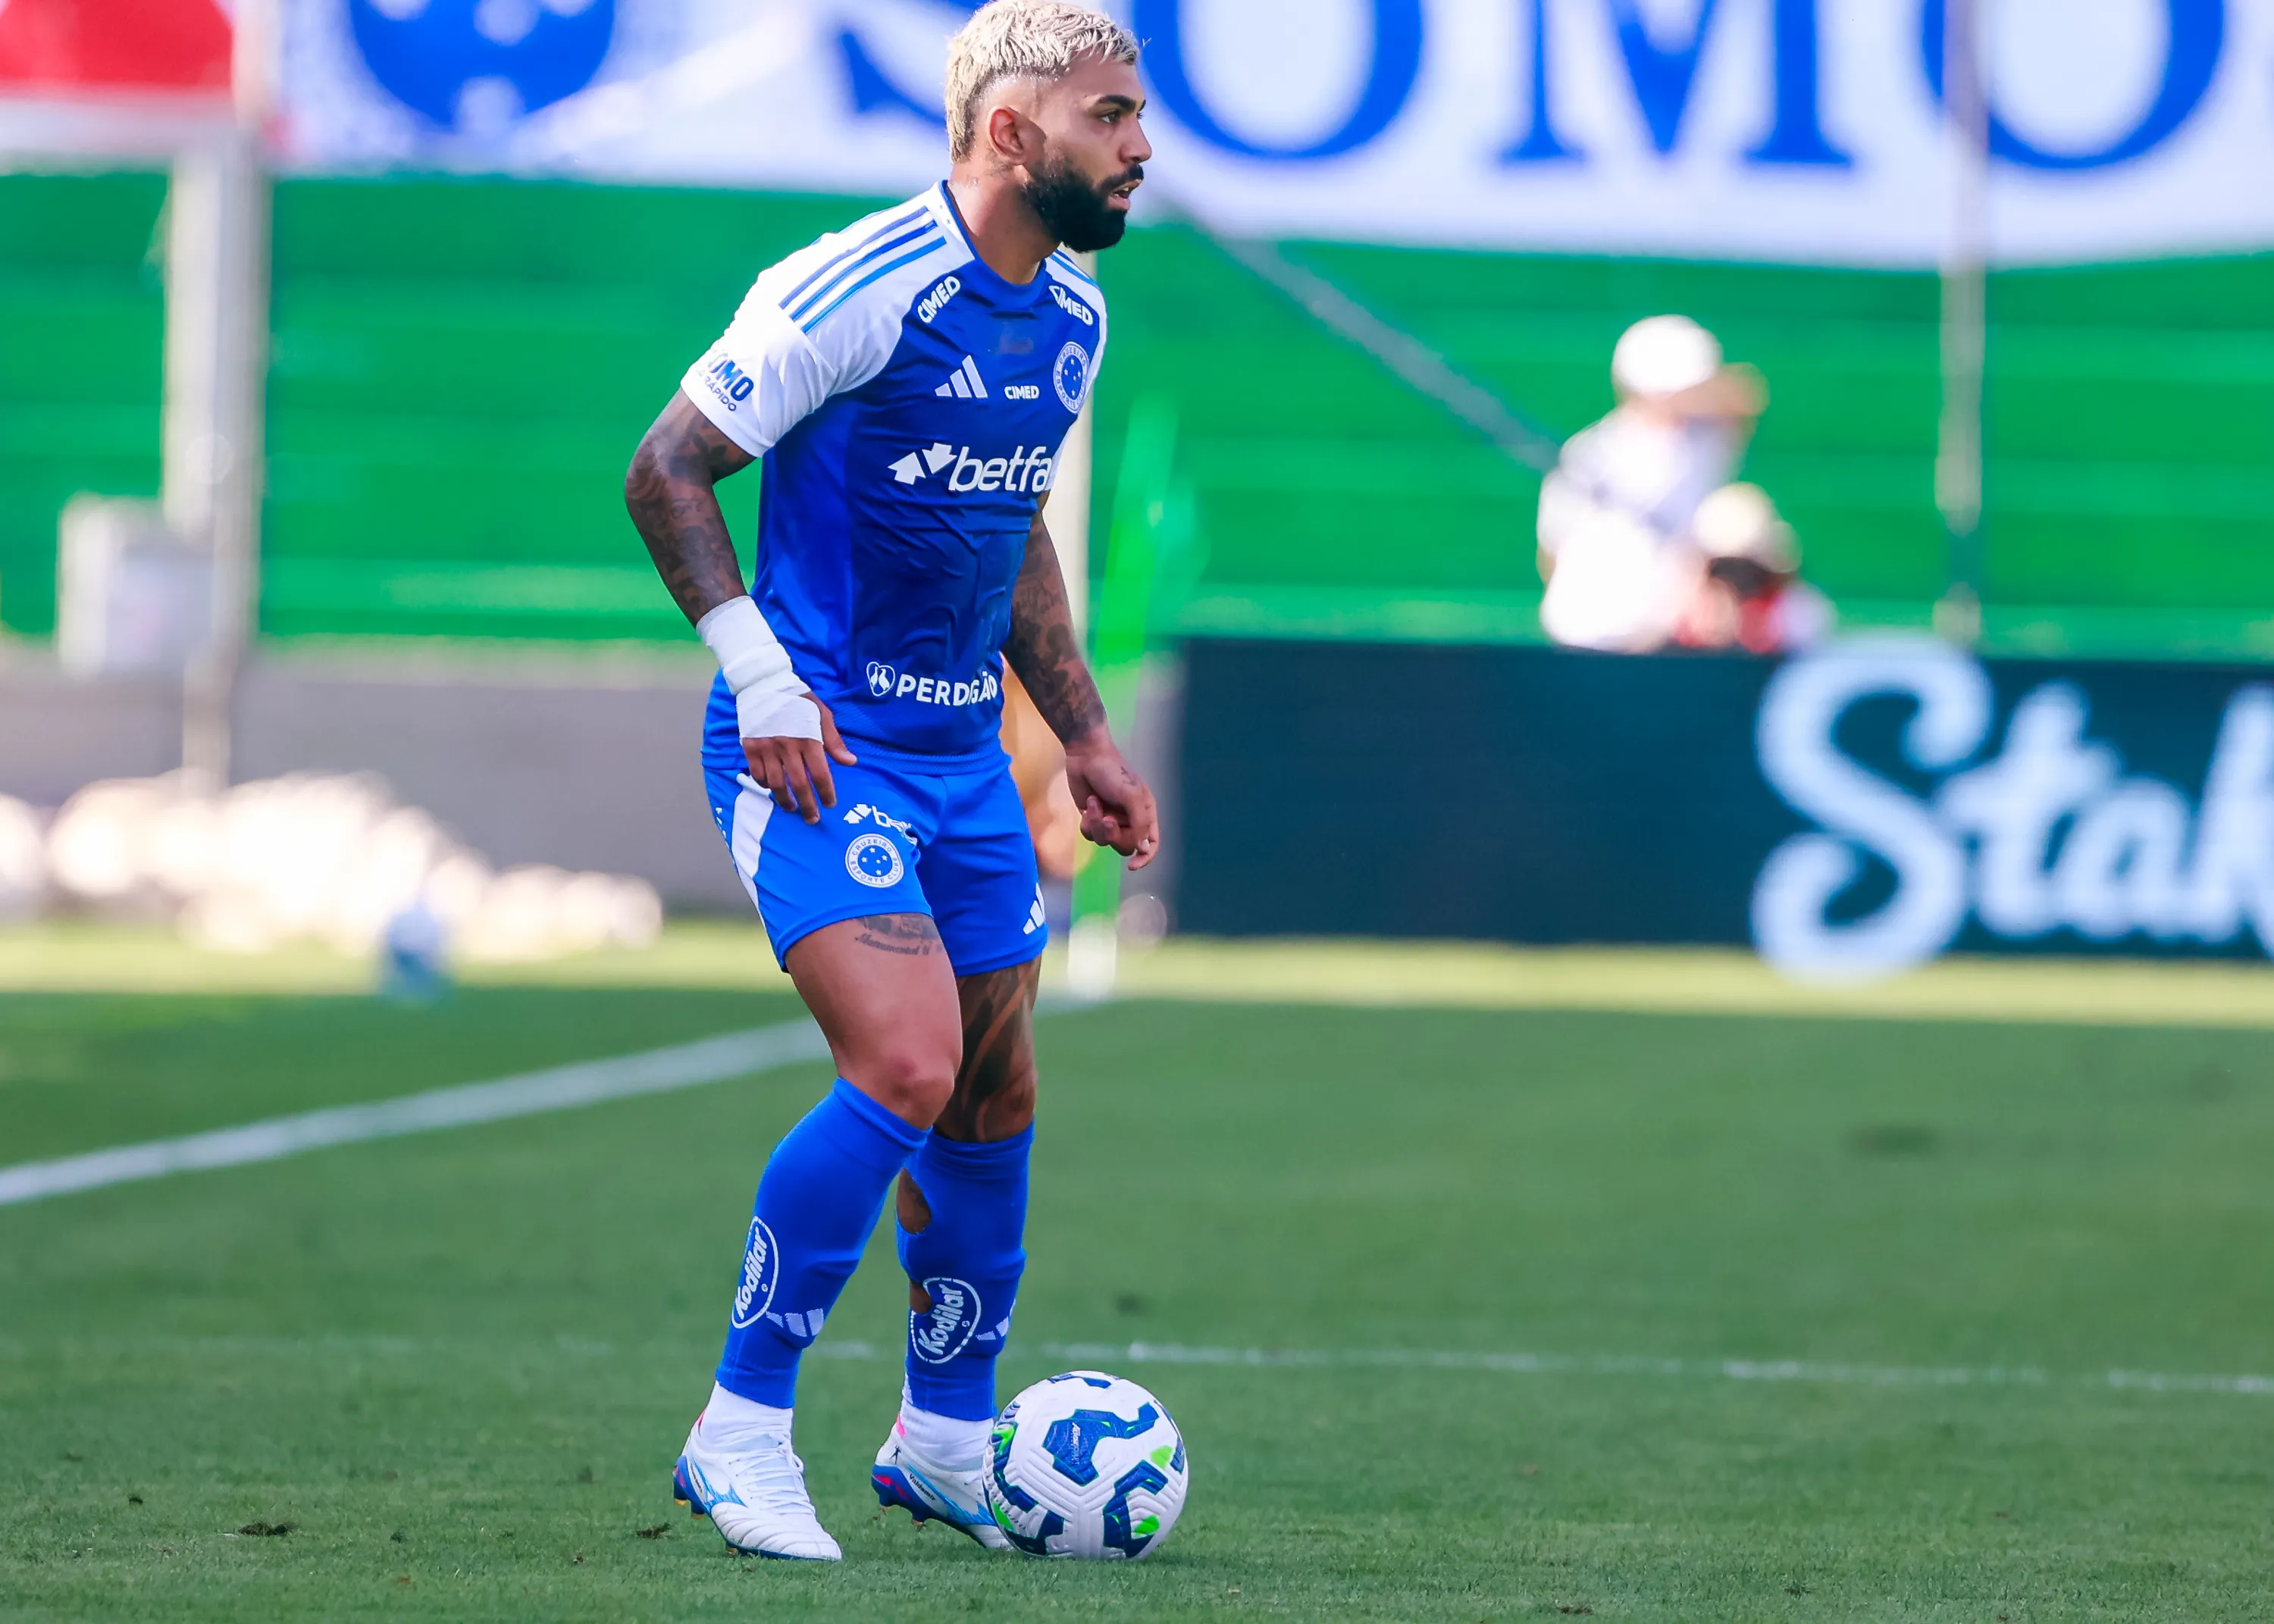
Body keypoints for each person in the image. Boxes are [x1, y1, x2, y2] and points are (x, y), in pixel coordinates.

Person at [620, 0, 1157, 1562]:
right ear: (1011, 131)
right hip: (819, 747)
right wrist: (762, 679)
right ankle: (738, 1430)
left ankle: (943, 1439)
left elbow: (1014, 525)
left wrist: (1084, 734)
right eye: (1111, 117)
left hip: (964, 758)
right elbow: (667, 467)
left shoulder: (1072, 313)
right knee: (911, 1061)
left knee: (995, 1087)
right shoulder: (857, 284)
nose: (1139, 148)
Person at [1536, 314, 1765, 652]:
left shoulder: (1704, 445)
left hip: (1660, 637)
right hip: (1590, 633)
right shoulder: (1591, 454)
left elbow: (1744, 398)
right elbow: (1552, 549)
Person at [1674, 481, 1835, 655]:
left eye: (1746, 570)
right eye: (1724, 569)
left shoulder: (1798, 613)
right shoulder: (1677, 607)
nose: (1736, 582)